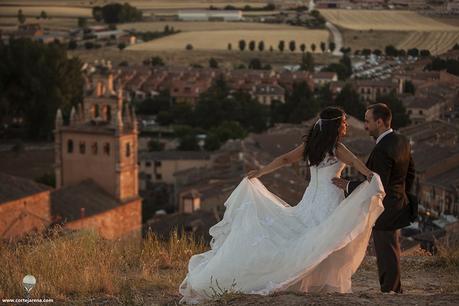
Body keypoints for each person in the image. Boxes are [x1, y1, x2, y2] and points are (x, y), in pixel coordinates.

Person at [179, 107, 385, 304]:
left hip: (311, 199)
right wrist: (369, 175)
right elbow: (356, 161)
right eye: (344, 123)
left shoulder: (311, 146)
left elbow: (285, 159)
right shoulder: (337, 148)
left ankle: (310, 282)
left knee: (313, 240)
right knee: (324, 241)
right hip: (329, 198)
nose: (347, 126)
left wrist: (261, 171)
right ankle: (318, 283)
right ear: (335, 126)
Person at [332, 103, 415, 293]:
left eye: (368, 121)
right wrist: (402, 197)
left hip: (385, 208)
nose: (365, 126)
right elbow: (410, 173)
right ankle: (395, 289)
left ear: (379, 122)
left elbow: (376, 183)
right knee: (391, 248)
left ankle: (390, 291)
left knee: (386, 251)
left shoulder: (381, 149)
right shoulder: (402, 140)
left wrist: (347, 185)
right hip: (397, 204)